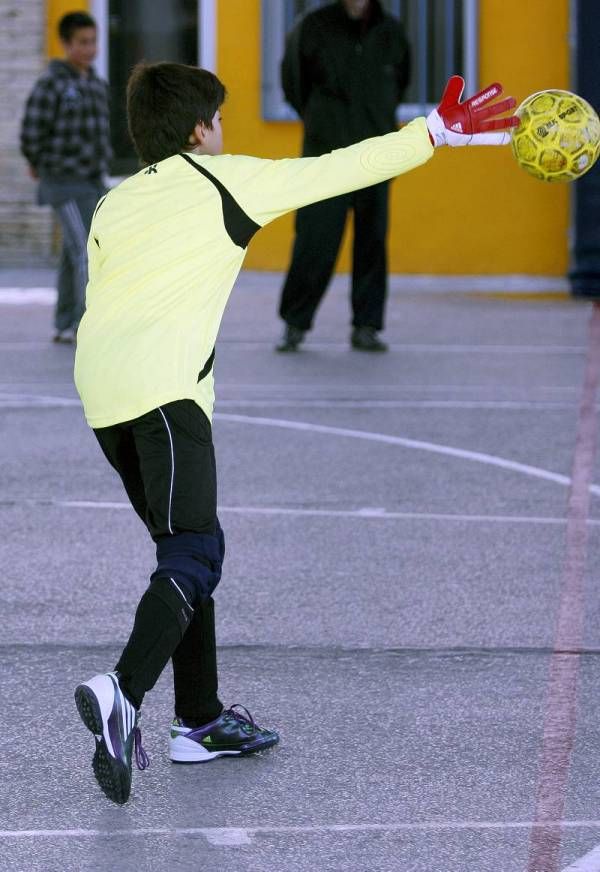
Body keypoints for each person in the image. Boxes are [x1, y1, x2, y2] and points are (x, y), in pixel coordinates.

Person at [72, 61, 518, 804]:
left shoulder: (114, 203)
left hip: (103, 395)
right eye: (217, 119)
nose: (223, 131)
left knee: (186, 553)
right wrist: (434, 133)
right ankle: (123, 690)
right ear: (198, 131)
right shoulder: (226, 179)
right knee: (194, 553)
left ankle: (202, 720)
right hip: (163, 395)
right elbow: (337, 169)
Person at [276, 0, 410, 353]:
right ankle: (294, 323)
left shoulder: (391, 31)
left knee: (372, 243)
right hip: (326, 154)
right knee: (315, 238)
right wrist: (321, 120)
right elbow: (293, 82)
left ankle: (366, 326)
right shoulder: (314, 26)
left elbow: (400, 83)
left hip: (376, 154)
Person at [20, 11, 110, 343]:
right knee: (87, 249)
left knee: (73, 251)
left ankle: (64, 321)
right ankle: (87, 323)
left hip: (92, 180)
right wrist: (38, 162)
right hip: (63, 181)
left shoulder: (96, 84)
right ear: (66, 44)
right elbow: (32, 129)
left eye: (94, 41)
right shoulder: (52, 83)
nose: (90, 49)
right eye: (82, 43)